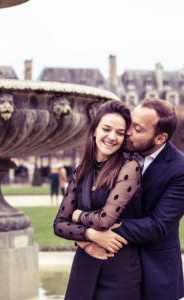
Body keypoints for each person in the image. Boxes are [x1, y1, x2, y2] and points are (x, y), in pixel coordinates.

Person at [80, 98, 184, 300]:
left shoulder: (183, 169)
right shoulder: (114, 149)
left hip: (155, 274)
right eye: (130, 123)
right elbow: (82, 200)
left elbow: (158, 225)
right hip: (111, 267)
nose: (126, 132)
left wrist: (96, 230)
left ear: (160, 138)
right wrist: (83, 236)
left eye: (138, 129)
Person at [53, 100, 142, 300]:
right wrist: (87, 239)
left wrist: (76, 215)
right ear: (94, 130)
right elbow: (58, 224)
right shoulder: (81, 170)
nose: (112, 137)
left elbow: (105, 220)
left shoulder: (129, 167)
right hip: (84, 267)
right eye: (107, 129)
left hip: (118, 272)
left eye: (120, 133)